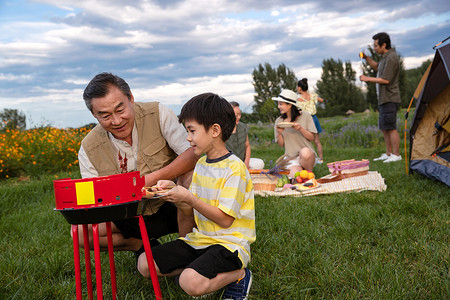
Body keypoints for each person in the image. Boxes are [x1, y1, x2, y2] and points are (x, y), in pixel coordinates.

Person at [137, 93, 255, 299]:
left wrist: (190, 198)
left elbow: (225, 220)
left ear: (215, 130)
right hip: (201, 240)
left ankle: (240, 275)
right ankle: (198, 272)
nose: (188, 138)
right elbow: (190, 210)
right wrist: (174, 193)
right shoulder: (200, 164)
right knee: (145, 264)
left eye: (192, 131)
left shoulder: (235, 168)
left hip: (229, 244)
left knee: (189, 282)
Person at [75, 72, 198, 254]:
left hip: (172, 206)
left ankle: (186, 251)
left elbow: (192, 153)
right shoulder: (88, 148)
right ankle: (141, 247)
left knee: (189, 178)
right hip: (127, 215)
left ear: (131, 98)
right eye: (105, 115)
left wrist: (151, 179)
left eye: (120, 110)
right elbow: (91, 199)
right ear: (94, 114)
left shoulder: (158, 113)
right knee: (80, 233)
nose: (116, 121)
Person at [360, 32, 402, 163]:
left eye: (376, 45)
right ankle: (388, 153)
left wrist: (367, 78)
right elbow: (377, 67)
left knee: (391, 127)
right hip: (383, 99)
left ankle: (396, 154)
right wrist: (366, 58)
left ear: (384, 45)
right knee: (384, 127)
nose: (374, 48)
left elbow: (386, 80)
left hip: (390, 98)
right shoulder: (385, 57)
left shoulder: (392, 58)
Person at [273, 89, 317, 177]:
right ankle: (303, 174)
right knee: (297, 177)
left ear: (289, 105)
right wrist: (279, 133)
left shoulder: (306, 116)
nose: (278, 106)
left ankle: (309, 174)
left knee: (305, 152)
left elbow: (312, 138)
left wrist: (301, 129)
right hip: (291, 158)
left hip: (308, 156)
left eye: (281, 104)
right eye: (278, 104)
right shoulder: (279, 121)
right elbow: (281, 145)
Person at [225, 101, 265, 170]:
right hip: (227, 163)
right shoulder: (222, 129)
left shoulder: (243, 127)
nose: (238, 117)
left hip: (242, 161)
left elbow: (247, 146)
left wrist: (246, 162)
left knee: (260, 163)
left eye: (239, 114)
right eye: (235, 115)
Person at [297, 78, 324, 164]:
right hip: (314, 118)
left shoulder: (299, 99)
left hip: (306, 119)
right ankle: (320, 159)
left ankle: (307, 158)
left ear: (300, 88)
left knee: (305, 141)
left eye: (297, 87)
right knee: (317, 140)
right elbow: (321, 100)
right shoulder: (312, 96)